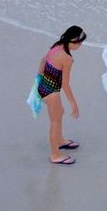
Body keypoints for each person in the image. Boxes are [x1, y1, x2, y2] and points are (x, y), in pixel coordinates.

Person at [37, 25, 87, 164]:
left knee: (59, 113)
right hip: (51, 91)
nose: (81, 45)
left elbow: (43, 60)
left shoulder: (57, 45)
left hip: (44, 86)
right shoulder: (67, 58)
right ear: (74, 42)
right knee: (55, 121)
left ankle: (59, 140)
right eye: (80, 42)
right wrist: (74, 104)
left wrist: (38, 80)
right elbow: (65, 84)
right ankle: (55, 155)